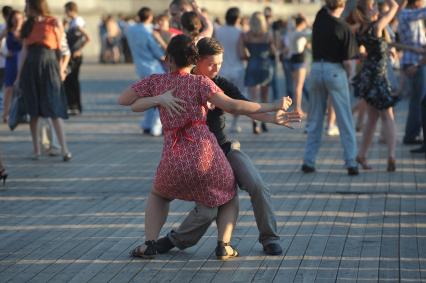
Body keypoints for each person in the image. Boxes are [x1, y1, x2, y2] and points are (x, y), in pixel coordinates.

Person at [118, 34, 295, 259]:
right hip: (203, 155)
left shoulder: (173, 81)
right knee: (218, 201)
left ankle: (269, 238)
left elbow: (240, 106)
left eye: (219, 64)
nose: (215, 69)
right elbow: (234, 106)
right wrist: (271, 105)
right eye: (211, 63)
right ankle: (205, 243)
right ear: (196, 60)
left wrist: (270, 117)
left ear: (170, 59)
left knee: (255, 186)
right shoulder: (198, 83)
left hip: (206, 151)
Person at [301, 0, 359, 176]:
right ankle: (351, 162)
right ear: (343, 6)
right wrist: (351, 77)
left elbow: (326, 9)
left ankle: (309, 161)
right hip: (335, 70)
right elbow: (349, 62)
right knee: (344, 119)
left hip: (316, 69)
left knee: (315, 119)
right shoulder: (344, 28)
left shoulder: (320, 17)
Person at [17, 0, 71, 161]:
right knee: (33, 111)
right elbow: (24, 52)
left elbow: (62, 49)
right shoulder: (28, 24)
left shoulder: (54, 22)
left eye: (27, 4)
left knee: (53, 109)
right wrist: (18, 77)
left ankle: (65, 150)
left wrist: (62, 69)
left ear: (35, 6)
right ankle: (36, 150)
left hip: (49, 66)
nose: (25, 8)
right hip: (31, 68)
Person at [352, 0, 399, 171]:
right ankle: (391, 156)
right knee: (388, 116)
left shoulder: (360, 29)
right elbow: (394, 7)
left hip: (367, 77)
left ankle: (362, 155)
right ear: (368, 9)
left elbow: (361, 53)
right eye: (373, 5)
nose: (377, 9)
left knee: (372, 119)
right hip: (379, 77)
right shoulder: (377, 27)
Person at [125, 7, 165, 137]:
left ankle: (146, 125)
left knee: (147, 97)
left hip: (140, 66)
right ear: (149, 17)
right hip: (153, 67)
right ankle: (155, 127)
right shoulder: (147, 31)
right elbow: (157, 52)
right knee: (159, 98)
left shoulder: (131, 29)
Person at [240, 11, 276, 134]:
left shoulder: (246, 36)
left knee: (253, 98)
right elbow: (273, 52)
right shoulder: (268, 35)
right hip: (265, 66)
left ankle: (255, 123)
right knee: (264, 98)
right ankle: (264, 123)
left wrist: (249, 56)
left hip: (252, 65)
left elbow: (242, 54)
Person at [398, 0, 426, 152]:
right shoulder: (408, 14)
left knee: (417, 100)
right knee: (419, 100)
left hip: (413, 60)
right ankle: (411, 135)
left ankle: (412, 134)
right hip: (415, 61)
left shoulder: (406, 14)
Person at [214, 7, 245, 133]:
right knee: (237, 98)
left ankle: (220, 123)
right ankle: (235, 124)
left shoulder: (218, 30)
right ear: (237, 18)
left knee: (219, 99)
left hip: (221, 68)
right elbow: (241, 52)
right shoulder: (240, 32)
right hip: (237, 68)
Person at [63, 1, 90, 115]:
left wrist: (79, 49)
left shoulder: (77, 22)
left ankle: (75, 106)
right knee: (69, 80)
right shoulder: (73, 21)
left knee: (72, 80)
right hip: (71, 54)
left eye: (65, 10)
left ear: (70, 10)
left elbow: (88, 37)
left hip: (75, 56)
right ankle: (72, 105)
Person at [2, 10, 23, 123]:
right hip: (11, 60)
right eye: (15, 19)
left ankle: (22, 113)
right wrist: (3, 53)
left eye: (19, 18)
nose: (17, 21)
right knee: (8, 88)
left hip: (22, 61)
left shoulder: (25, 31)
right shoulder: (8, 31)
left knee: (23, 88)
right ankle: (6, 114)